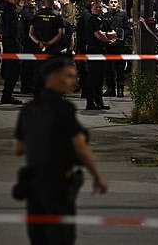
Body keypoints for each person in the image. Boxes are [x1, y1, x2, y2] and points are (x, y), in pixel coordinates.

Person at [14, 56, 108, 245]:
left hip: (33, 183)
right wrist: (97, 176)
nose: (74, 82)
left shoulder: (29, 109)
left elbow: (18, 148)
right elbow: (81, 148)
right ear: (54, 77)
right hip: (58, 184)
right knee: (61, 237)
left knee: (38, 238)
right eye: (69, 76)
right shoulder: (64, 109)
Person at [85, 0, 116, 110]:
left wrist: (106, 35)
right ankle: (90, 102)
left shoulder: (103, 20)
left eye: (100, 7)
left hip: (103, 51)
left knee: (100, 77)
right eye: (97, 7)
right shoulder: (91, 21)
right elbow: (99, 35)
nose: (99, 9)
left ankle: (99, 101)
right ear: (92, 9)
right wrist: (108, 39)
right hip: (94, 51)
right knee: (93, 77)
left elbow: (114, 33)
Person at [103, 0, 132, 98]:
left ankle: (120, 89)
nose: (114, 4)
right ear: (108, 4)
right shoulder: (105, 16)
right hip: (108, 46)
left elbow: (127, 29)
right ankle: (111, 89)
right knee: (108, 69)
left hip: (120, 46)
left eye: (115, 2)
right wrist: (108, 39)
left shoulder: (123, 15)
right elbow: (102, 29)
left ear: (118, 4)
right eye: (111, 2)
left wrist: (119, 39)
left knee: (120, 69)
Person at [0, 0, 22, 104]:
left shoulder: (9, 9)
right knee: (13, 71)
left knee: (12, 70)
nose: (20, 0)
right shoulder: (9, 10)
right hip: (11, 44)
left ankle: (7, 94)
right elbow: (11, 29)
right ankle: (7, 95)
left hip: (10, 43)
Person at [75, 0, 92, 97]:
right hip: (85, 45)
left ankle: (85, 90)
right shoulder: (87, 15)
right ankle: (86, 91)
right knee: (86, 69)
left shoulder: (84, 14)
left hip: (82, 45)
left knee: (83, 69)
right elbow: (87, 31)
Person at [19, 0, 37, 94]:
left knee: (28, 65)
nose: (34, 3)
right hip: (28, 42)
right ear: (27, 2)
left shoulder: (25, 12)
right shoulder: (27, 14)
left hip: (26, 41)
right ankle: (27, 87)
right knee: (28, 66)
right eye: (32, 2)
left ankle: (27, 86)